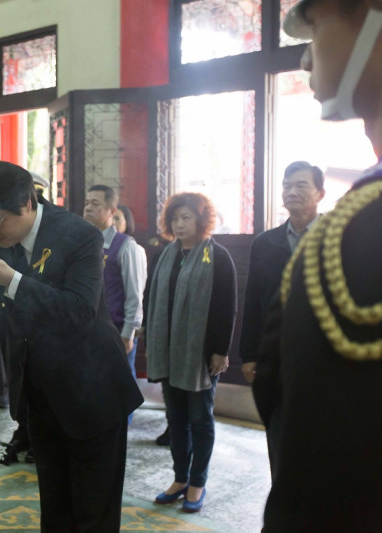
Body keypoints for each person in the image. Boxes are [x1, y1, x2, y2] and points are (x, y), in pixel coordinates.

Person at [0, 161, 143, 531]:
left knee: (94, 510)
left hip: (92, 391)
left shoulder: (80, 235)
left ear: (27, 203)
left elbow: (78, 311)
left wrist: (12, 281)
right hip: (39, 391)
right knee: (55, 503)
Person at [253, 2, 382, 530]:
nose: (306, 59)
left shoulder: (359, 234)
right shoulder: (357, 220)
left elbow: (330, 475)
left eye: (319, 24)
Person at [146, 192, 236, 513]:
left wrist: (219, 350)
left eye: (187, 217)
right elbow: (151, 299)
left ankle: (198, 482)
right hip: (169, 351)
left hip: (200, 355)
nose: (180, 224)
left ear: (201, 220)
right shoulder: (164, 255)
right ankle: (180, 478)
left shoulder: (218, 256)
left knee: (200, 419)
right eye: (175, 218)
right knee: (176, 419)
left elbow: (226, 308)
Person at [240, 161, 323, 474]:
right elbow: (253, 301)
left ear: (320, 193)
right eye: (287, 185)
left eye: (301, 185)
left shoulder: (337, 237)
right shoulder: (265, 243)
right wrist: (249, 354)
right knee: (277, 433)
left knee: (319, 436)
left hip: (320, 355)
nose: (292, 191)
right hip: (276, 354)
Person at [84, 185, 147, 424]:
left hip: (116, 330)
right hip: (87, 328)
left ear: (112, 211)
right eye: (87, 202)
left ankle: (121, 430)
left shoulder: (126, 246)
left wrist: (129, 332)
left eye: (95, 204)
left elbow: (134, 293)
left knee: (120, 384)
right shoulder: (83, 242)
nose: (88, 207)